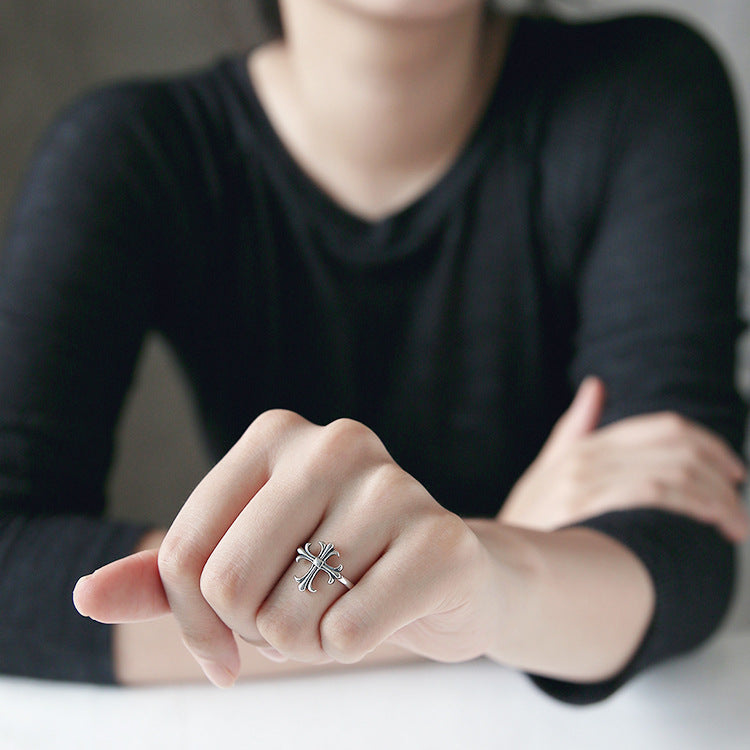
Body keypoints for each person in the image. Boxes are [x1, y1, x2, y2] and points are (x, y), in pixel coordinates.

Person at [0, 0, 747, 705]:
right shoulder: (133, 147)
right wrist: (472, 575)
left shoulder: (642, 87)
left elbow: (681, 542)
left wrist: (471, 577)